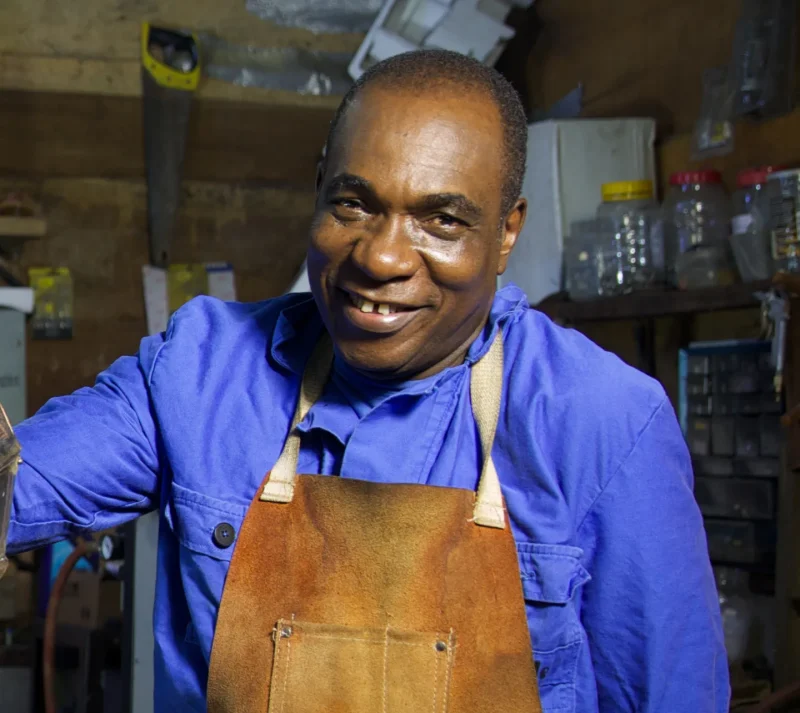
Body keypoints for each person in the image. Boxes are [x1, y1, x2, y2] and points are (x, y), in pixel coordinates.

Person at [4, 50, 728, 712]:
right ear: (318, 185)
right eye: (354, 204)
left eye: (441, 220)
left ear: (507, 232)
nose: (381, 257)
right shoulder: (201, 371)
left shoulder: (605, 422)